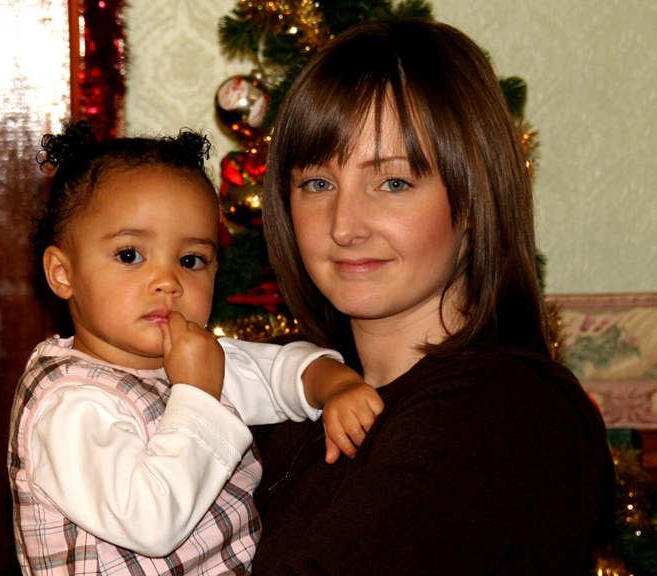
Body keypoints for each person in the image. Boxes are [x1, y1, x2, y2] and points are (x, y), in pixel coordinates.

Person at [252, 18, 615, 575]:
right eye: (317, 183)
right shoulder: (297, 400)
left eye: (393, 182)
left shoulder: (503, 414)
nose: (344, 226)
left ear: (471, 200)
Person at [8, 123, 383, 575]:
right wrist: (199, 395)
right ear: (63, 274)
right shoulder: (69, 405)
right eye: (130, 255)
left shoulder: (190, 356)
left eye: (191, 261)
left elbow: (282, 369)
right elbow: (149, 523)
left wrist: (336, 385)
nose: (169, 281)